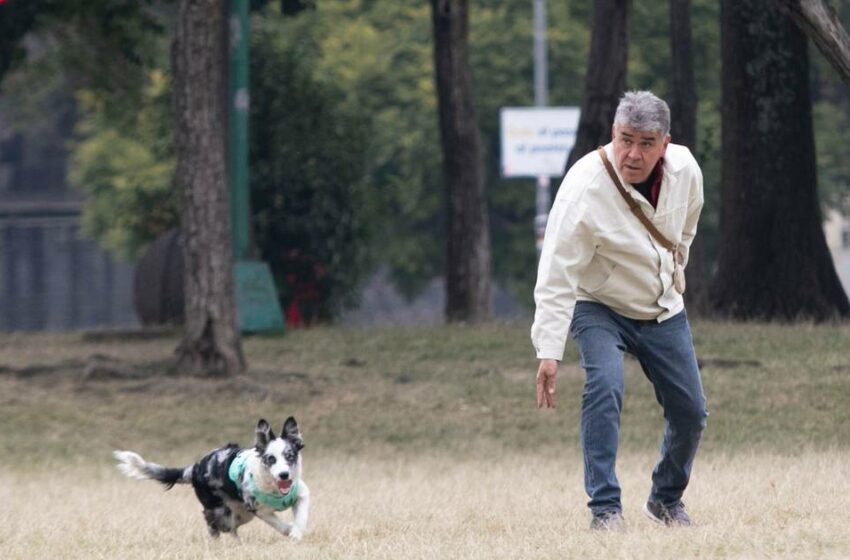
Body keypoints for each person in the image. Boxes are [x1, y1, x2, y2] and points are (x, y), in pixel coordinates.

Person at [531, 91, 708, 531]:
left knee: (691, 411)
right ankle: (605, 509)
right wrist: (548, 350)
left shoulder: (686, 169)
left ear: (664, 143)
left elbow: (688, 222)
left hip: (662, 306)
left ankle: (666, 499)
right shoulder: (584, 187)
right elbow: (556, 272)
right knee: (605, 387)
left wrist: (675, 268)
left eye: (646, 142)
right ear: (613, 133)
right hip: (598, 304)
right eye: (625, 139)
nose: (633, 153)